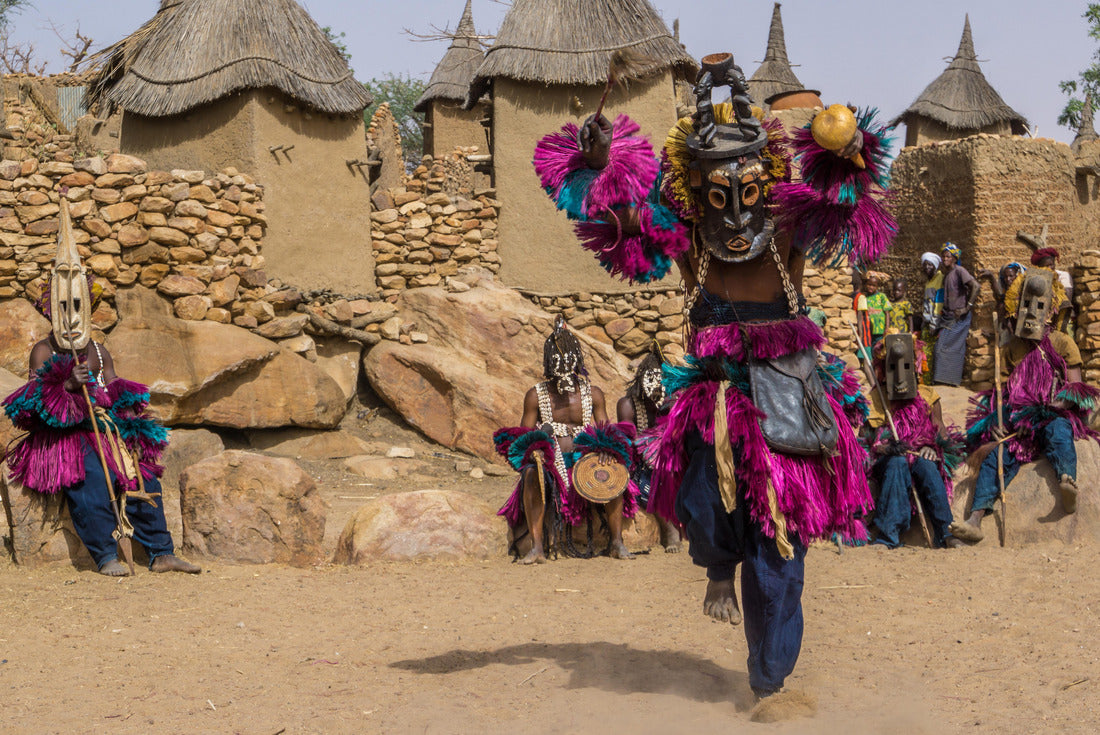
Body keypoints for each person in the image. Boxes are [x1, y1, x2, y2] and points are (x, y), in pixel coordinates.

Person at [533, 51, 892, 704]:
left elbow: (843, 200)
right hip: (717, 393)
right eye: (718, 194)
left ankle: (769, 681)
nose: (735, 211)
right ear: (697, 189)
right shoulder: (690, 237)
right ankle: (718, 568)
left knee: (779, 548)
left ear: (766, 180)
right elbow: (622, 220)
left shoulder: (788, 227)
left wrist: (847, 153)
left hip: (789, 392)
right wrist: (600, 165)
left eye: (747, 191)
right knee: (705, 496)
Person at [3, 213, 199, 577]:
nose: (71, 316)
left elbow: (114, 389)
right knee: (91, 479)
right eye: (63, 308)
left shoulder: (97, 350)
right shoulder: (44, 351)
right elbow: (30, 408)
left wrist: (132, 423)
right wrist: (66, 387)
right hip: (64, 438)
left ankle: (161, 552)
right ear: (51, 309)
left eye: (78, 307)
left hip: (105, 431)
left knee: (142, 476)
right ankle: (105, 554)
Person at [951, 269, 1098, 543]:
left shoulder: (1062, 343)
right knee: (997, 457)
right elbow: (1003, 394)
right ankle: (975, 519)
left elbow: (1076, 390)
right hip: (1019, 426)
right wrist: (1000, 421)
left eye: (1038, 306)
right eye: (1025, 305)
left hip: (1053, 415)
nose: (1030, 312)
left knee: (1059, 433)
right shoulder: (1012, 348)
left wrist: (1046, 409)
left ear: (1051, 310)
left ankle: (1067, 480)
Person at [494, 319, 640, 564]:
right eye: (557, 360)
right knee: (530, 473)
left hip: (585, 461)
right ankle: (537, 547)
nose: (563, 365)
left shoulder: (593, 393)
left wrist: (606, 449)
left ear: (577, 360)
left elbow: (605, 429)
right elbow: (522, 437)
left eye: (568, 358)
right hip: (551, 464)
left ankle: (616, 542)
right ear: (548, 363)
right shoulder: (536, 395)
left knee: (612, 467)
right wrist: (535, 452)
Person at [863, 335, 964, 549]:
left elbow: (942, 434)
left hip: (919, 455)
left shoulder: (928, 396)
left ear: (915, 367)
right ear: (883, 370)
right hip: (887, 461)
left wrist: (932, 446)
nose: (900, 377)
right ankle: (888, 536)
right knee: (897, 463)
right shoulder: (876, 399)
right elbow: (865, 443)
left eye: (906, 367)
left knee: (927, 465)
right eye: (893, 368)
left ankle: (947, 533)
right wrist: (886, 448)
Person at [616, 345, 681, 552]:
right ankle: (669, 529)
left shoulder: (673, 400)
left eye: (660, 381)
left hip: (672, 458)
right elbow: (628, 441)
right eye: (650, 380)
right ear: (641, 380)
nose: (655, 387)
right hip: (642, 465)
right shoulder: (627, 404)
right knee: (658, 478)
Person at [932, 243, 978, 386]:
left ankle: (949, 380)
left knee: (947, 348)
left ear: (954, 258)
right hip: (948, 317)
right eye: (943, 256)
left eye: (948, 256)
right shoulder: (947, 275)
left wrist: (967, 308)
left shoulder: (959, 271)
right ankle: (945, 379)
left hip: (959, 318)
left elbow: (975, 286)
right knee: (943, 347)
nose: (945, 259)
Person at [918, 252, 945, 384]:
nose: (927, 267)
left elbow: (938, 304)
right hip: (927, 321)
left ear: (935, 265)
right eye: (925, 265)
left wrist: (934, 323)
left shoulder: (939, 279)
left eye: (930, 265)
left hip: (934, 323)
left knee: (928, 352)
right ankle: (927, 380)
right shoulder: (929, 281)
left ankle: (929, 381)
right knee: (925, 351)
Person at [854, 274, 890, 358]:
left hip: (880, 330)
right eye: (869, 284)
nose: (871, 287)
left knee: (879, 350)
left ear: (877, 287)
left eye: (874, 286)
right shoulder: (864, 297)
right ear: (866, 284)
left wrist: (887, 327)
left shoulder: (882, 296)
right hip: (869, 330)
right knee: (871, 351)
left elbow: (887, 312)